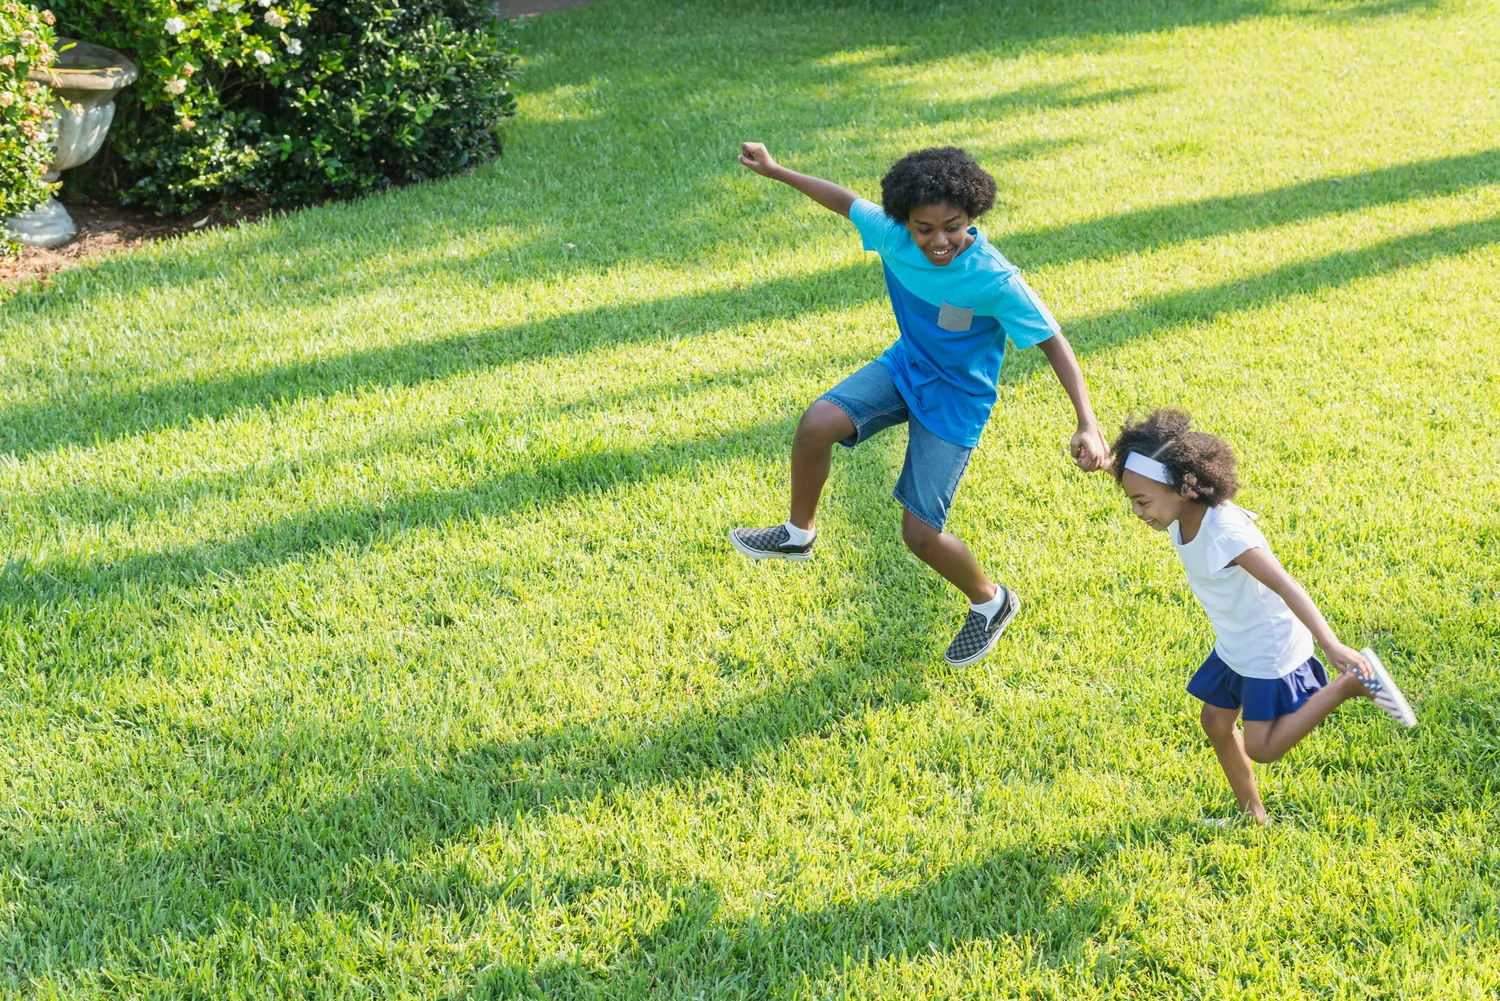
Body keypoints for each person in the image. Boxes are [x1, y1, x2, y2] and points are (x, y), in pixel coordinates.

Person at [729, 142, 1111, 666]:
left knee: (920, 534)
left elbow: (1053, 342)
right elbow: (843, 200)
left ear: (972, 216)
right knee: (816, 423)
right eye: (923, 228)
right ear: (903, 220)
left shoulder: (995, 279)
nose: (939, 240)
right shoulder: (891, 235)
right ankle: (798, 534)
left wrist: (1087, 423)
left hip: (955, 401)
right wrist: (775, 172)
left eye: (952, 225)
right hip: (905, 368)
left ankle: (991, 601)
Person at [1111, 408, 1416, 824]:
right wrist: (1105, 458)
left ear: (1182, 488)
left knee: (1263, 748)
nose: (1138, 511)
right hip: (1236, 639)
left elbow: (1286, 585)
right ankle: (1252, 815)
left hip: (1266, 647)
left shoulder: (1227, 535)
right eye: (1132, 500)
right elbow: (1144, 472)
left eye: (1141, 501)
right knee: (1216, 723)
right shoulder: (1179, 509)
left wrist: (1331, 645)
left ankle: (1350, 684)